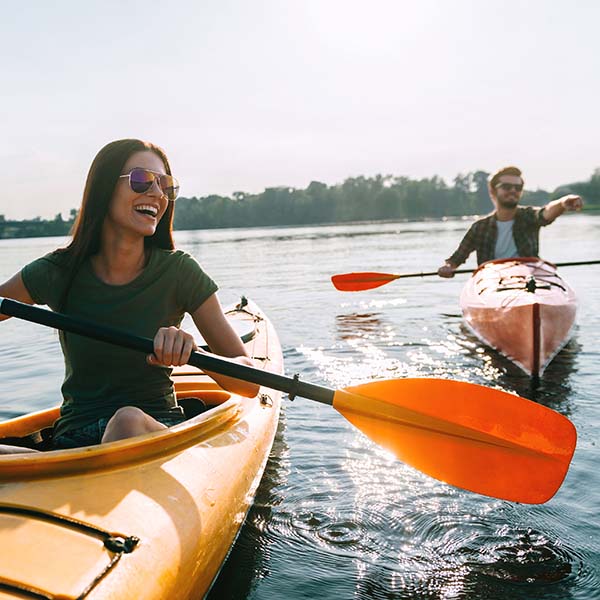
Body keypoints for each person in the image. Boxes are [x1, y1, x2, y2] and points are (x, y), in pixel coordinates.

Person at [0, 139, 259, 454]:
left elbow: (249, 382)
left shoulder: (180, 272)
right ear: (104, 189)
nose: (157, 194)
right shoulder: (58, 270)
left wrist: (194, 354)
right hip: (73, 441)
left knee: (126, 421)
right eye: (142, 180)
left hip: (152, 429)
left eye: (166, 186)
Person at [438, 165, 584, 277]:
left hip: (529, 278)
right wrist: (448, 267)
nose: (513, 190)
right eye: (507, 187)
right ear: (493, 191)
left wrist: (563, 203)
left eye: (518, 187)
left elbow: (545, 213)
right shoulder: (479, 227)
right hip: (492, 281)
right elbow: (456, 259)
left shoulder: (529, 216)